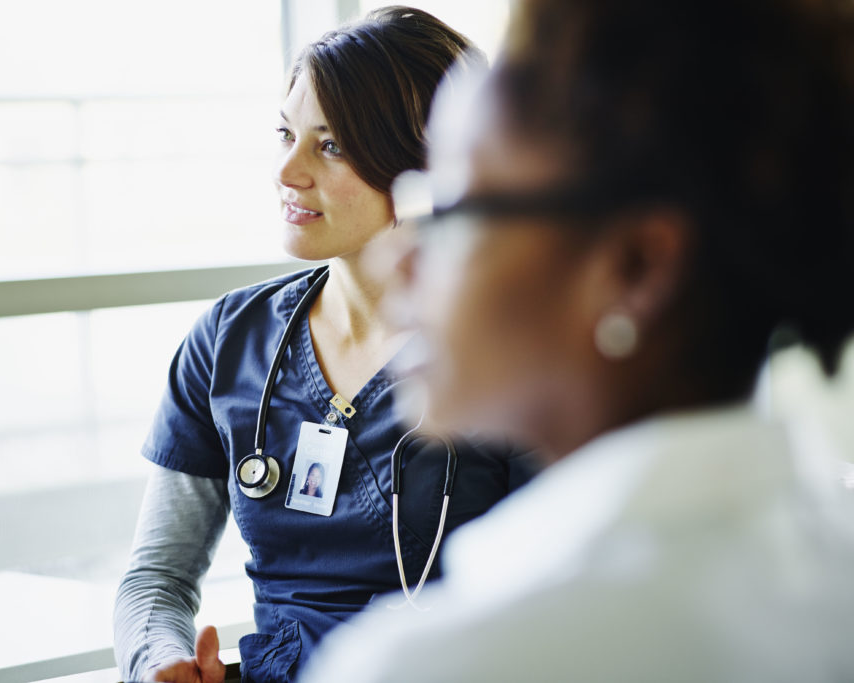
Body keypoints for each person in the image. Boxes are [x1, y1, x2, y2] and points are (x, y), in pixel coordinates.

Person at [300, 0, 854, 681]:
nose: (401, 260)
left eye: (450, 209)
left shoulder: (448, 660)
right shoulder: (829, 564)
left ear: (635, 268)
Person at [113, 8, 537, 683]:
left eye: (330, 145)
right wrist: (158, 657)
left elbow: (553, 600)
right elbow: (156, 577)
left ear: (428, 165)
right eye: (285, 134)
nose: (287, 170)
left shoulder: (511, 354)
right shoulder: (229, 341)